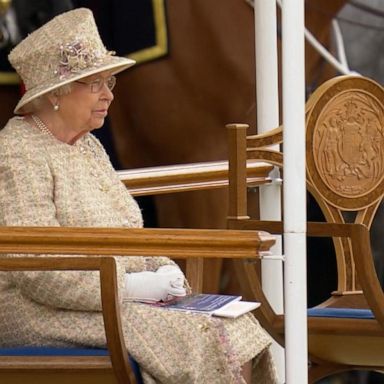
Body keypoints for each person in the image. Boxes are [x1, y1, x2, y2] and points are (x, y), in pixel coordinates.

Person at [0, 8, 277, 384]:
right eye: (95, 83)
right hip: (38, 311)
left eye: (109, 82)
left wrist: (164, 269)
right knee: (196, 335)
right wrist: (129, 287)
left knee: (235, 322)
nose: (109, 95)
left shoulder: (89, 147)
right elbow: (37, 267)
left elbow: (129, 229)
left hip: (114, 301)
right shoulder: (17, 153)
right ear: (55, 95)